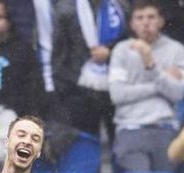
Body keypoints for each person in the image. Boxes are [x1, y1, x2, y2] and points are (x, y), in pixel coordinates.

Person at [108, 0, 184, 173]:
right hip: (131, 128)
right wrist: (160, 81)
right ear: (132, 23)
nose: (146, 22)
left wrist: (151, 65)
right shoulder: (121, 50)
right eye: (140, 18)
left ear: (161, 21)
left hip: (165, 128)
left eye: (151, 17)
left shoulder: (176, 50)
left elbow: (177, 93)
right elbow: (117, 95)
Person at [52, 0, 128, 135]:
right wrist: (67, 87)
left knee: (118, 142)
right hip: (79, 89)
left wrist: (110, 54)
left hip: (115, 86)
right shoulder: (66, 9)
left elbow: (128, 43)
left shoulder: (120, 7)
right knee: (85, 144)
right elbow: (59, 54)